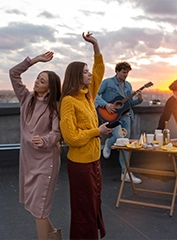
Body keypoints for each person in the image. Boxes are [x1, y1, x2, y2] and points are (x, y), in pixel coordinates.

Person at [59, 32, 111, 239]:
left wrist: (95, 45)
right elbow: (71, 137)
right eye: (85, 72)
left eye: (89, 72)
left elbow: (99, 70)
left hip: (94, 161)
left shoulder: (88, 96)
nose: (90, 75)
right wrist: (97, 132)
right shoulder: (69, 101)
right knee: (84, 208)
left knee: (93, 204)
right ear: (76, 76)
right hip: (80, 164)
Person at [9, 51, 62, 240]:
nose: (37, 82)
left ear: (50, 88)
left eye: (42, 81)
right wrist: (35, 60)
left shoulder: (55, 106)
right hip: (28, 160)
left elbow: (56, 133)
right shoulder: (26, 99)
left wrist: (44, 139)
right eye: (38, 79)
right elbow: (13, 73)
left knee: (40, 208)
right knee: (35, 206)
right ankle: (56, 237)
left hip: (46, 161)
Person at [95, 61, 143, 183]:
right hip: (112, 116)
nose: (125, 75)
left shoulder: (128, 86)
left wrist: (139, 100)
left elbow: (128, 104)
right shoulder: (107, 82)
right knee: (119, 138)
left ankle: (125, 173)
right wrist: (105, 105)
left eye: (127, 72)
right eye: (123, 72)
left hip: (126, 117)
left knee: (125, 144)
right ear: (117, 71)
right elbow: (95, 95)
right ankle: (110, 144)